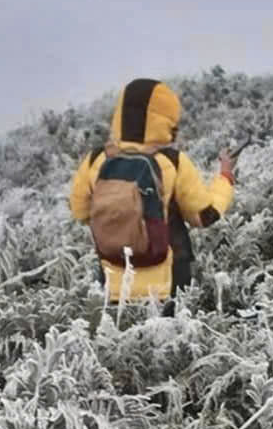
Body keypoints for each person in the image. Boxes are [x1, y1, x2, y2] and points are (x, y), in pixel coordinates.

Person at [69, 78, 235, 308]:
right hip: (169, 281)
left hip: (114, 280)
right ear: (167, 120)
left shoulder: (96, 159)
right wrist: (225, 177)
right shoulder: (172, 162)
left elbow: (80, 212)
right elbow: (204, 215)